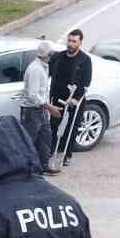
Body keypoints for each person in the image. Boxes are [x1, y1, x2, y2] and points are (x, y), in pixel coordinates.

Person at [48, 28, 92, 170]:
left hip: (75, 100)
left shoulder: (85, 60)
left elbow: (86, 81)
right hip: (58, 98)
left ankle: (67, 154)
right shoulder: (58, 57)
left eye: (74, 41)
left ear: (80, 42)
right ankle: (51, 151)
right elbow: (48, 72)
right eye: (69, 40)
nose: (70, 44)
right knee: (54, 125)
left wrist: (76, 99)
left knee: (71, 127)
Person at [19, 38, 55, 171]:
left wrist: (46, 108)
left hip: (41, 110)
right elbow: (33, 95)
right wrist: (50, 107)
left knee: (45, 137)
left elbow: (42, 91)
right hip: (31, 111)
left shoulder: (44, 66)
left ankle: (44, 165)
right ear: (48, 55)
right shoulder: (35, 69)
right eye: (51, 54)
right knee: (29, 140)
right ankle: (25, 169)